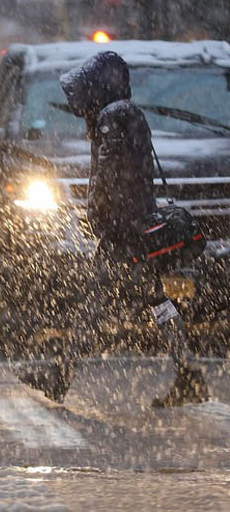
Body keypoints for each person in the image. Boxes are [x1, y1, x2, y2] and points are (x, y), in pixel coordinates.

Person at [20, 51, 210, 408]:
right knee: (156, 302)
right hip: (136, 225)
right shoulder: (126, 112)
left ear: (98, 86)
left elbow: (109, 177)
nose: (78, 104)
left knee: (95, 305)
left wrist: (102, 219)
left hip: (124, 234)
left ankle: (62, 375)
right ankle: (189, 374)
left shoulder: (112, 117)